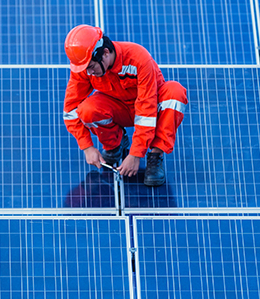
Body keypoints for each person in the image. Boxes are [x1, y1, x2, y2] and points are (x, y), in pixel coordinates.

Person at [63, 24, 188, 187]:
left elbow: (146, 111)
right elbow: (70, 109)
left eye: (92, 68)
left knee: (175, 93)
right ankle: (115, 144)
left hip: (149, 106)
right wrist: (86, 146)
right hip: (120, 109)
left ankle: (155, 155)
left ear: (105, 53)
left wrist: (136, 154)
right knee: (87, 110)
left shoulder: (138, 58)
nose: (89, 73)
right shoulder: (84, 66)